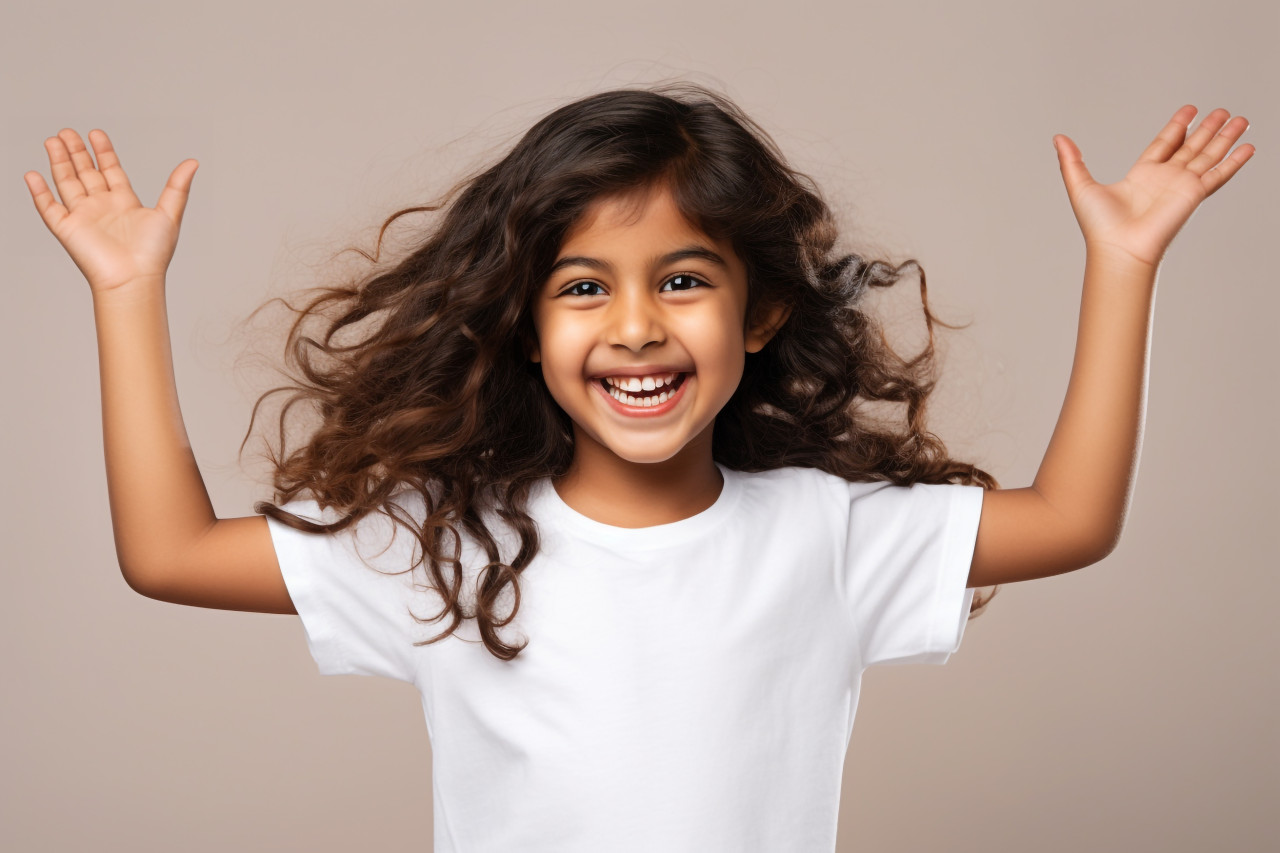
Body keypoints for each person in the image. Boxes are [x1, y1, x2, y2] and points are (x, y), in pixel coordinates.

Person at [24, 83, 1254, 852]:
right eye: (580, 288)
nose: (633, 327)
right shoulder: (449, 544)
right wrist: (127, 292)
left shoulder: (822, 532)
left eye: (681, 279)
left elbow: (1074, 519)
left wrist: (1125, 263)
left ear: (758, 311)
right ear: (525, 327)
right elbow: (169, 556)